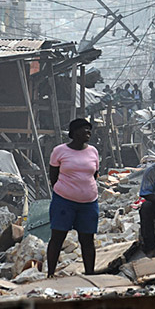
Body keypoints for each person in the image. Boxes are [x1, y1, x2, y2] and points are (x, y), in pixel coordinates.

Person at [47, 118, 99, 277]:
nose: (88, 132)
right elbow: (53, 176)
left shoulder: (93, 151)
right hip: (64, 202)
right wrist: (67, 190)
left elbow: (94, 174)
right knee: (57, 237)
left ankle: (90, 274)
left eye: (89, 130)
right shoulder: (59, 151)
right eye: (85, 129)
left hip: (89, 203)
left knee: (87, 240)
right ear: (74, 132)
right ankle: (50, 274)